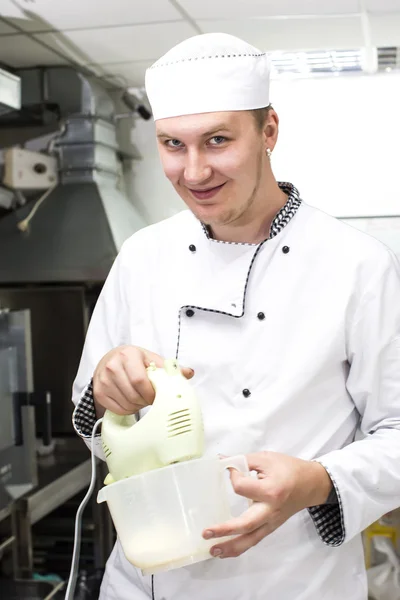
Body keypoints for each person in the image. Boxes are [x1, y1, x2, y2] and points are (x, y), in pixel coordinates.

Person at [72, 32, 400, 600]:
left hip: (291, 580)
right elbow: (94, 417)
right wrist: (106, 390)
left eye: (217, 140)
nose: (194, 171)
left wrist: (318, 481)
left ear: (269, 131)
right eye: (173, 144)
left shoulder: (358, 265)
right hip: (147, 579)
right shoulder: (142, 256)